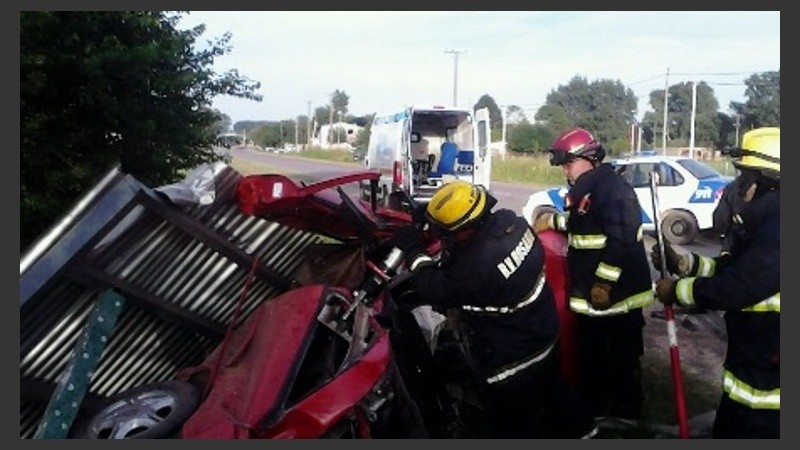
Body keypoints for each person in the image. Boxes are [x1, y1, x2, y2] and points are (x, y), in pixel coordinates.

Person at [392, 180, 596, 438]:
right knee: (554, 391)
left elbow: (433, 288)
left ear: (466, 228)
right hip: (545, 335)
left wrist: (413, 249)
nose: (445, 238)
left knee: (515, 423)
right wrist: (432, 215)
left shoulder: (476, 268)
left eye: (447, 233)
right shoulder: (512, 223)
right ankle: (586, 431)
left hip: (511, 362)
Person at [652, 127, 779, 438]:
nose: (738, 185)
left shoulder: (779, 225)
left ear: (761, 179)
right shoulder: (766, 220)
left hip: (767, 391)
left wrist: (678, 291)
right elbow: (734, 267)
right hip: (758, 357)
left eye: (743, 176)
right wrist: (686, 263)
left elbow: (738, 287)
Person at [532, 127, 654, 423]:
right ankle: (595, 409)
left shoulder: (613, 189)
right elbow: (584, 225)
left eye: (568, 164)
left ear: (588, 158)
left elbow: (622, 238)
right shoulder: (589, 187)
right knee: (593, 357)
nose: (565, 171)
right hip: (593, 293)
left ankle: (625, 415)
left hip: (617, 294)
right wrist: (554, 221)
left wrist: (604, 282)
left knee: (620, 358)